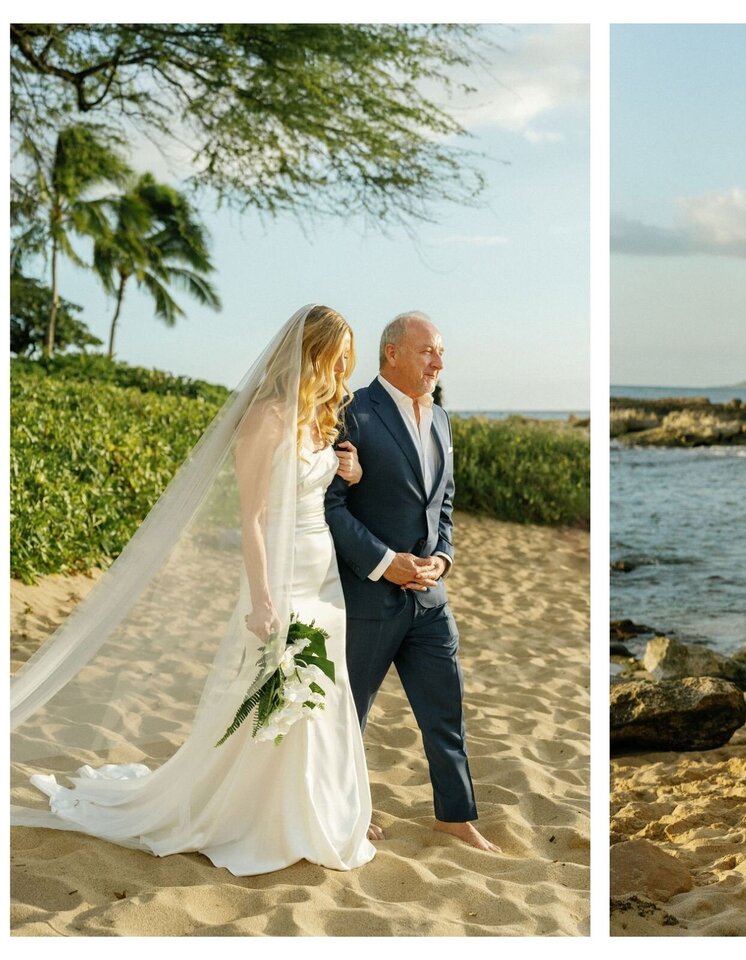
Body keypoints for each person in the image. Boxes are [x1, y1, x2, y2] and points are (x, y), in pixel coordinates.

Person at [11, 305, 376, 876]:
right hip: (278, 574)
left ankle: (304, 811)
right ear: (310, 354)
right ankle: (248, 813)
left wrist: (345, 471)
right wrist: (261, 599)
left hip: (323, 574)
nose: (342, 371)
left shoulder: (316, 420)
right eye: (337, 358)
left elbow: (317, 479)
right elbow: (253, 518)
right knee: (267, 691)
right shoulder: (266, 418)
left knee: (319, 694)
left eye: (347, 361)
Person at [326, 312, 499, 854]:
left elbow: (443, 504)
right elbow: (329, 505)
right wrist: (384, 562)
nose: (438, 363)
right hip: (368, 595)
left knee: (445, 710)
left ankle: (455, 816)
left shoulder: (443, 420)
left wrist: (441, 560)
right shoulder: (351, 412)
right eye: (428, 352)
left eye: (440, 353)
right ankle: (342, 811)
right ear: (392, 353)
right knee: (348, 713)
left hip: (431, 597)